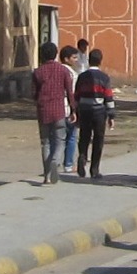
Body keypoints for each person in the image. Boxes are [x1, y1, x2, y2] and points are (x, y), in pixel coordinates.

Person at [32, 41, 75, 186]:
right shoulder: (63, 71)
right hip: (59, 111)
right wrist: (73, 110)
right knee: (60, 141)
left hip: (43, 111)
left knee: (45, 143)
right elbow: (69, 92)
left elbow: (34, 93)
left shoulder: (38, 72)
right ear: (56, 54)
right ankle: (55, 161)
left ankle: (47, 177)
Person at [74, 47, 116, 178]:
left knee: (84, 137)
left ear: (88, 60)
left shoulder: (82, 77)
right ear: (100, 61)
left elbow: (77, 95)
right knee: (98, 139)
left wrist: (75, 111)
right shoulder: (104, 78)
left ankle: (82, 157)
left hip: (84, 110)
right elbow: (108, 97)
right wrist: (111, 115)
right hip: (99, 112)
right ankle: (94, 169)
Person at [59, 44, 85, 176]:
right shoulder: (71, 74)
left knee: (57, 138)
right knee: (71, 137)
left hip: (55, 109)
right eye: (74, 57)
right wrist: (75, 110)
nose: (76, 60)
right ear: (66, 58)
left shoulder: (55, 70)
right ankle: (68, 164)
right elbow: (72, 93)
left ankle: (53, 162)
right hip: (68, 109)